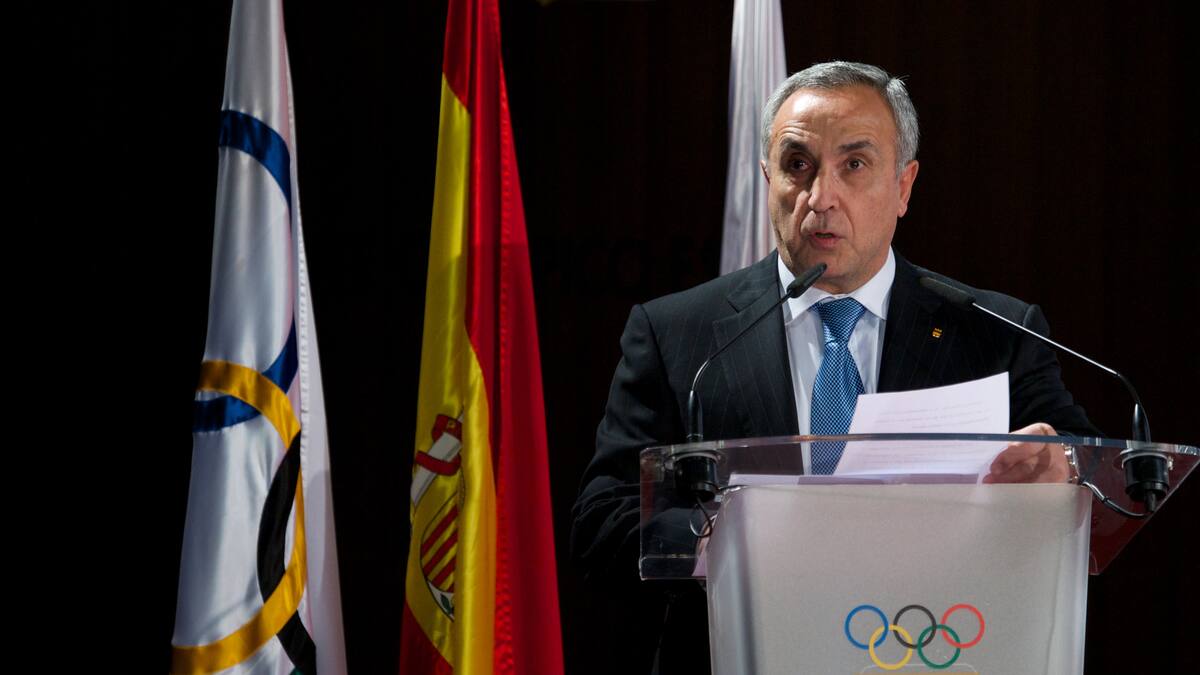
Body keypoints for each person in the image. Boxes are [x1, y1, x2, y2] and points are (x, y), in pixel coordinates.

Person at [570, 61, 1099, 674]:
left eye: (854, 164)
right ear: (767, 178)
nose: (820, 198)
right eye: (797, 164)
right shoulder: (678, 335)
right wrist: (727, 538)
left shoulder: (995, 332)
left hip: (937, 647)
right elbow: (600, 524)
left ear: (904, 186)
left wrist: (1061, 466)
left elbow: (1094, 475)